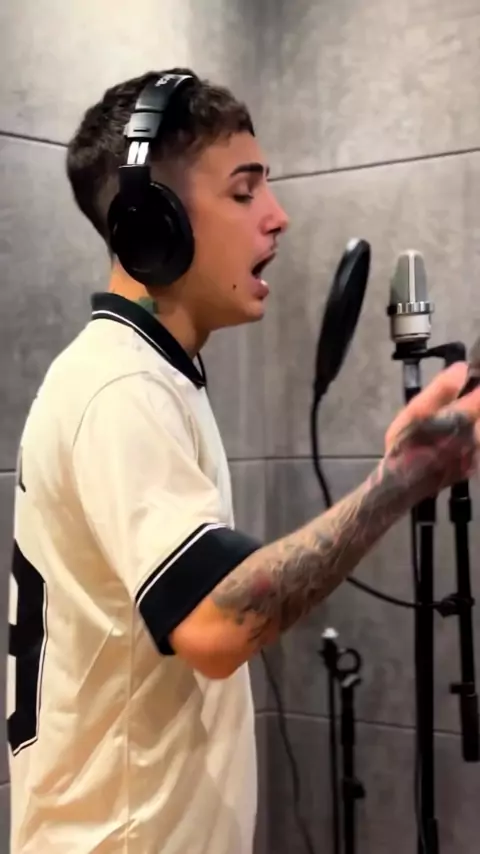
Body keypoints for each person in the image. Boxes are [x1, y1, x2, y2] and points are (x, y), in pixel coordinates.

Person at [6, 67, 480, 854]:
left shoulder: (150, 374)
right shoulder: (122, 387)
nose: (277, 216)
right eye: (243, 190)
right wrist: (403, 480)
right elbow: (216, 624)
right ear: (150, 225)